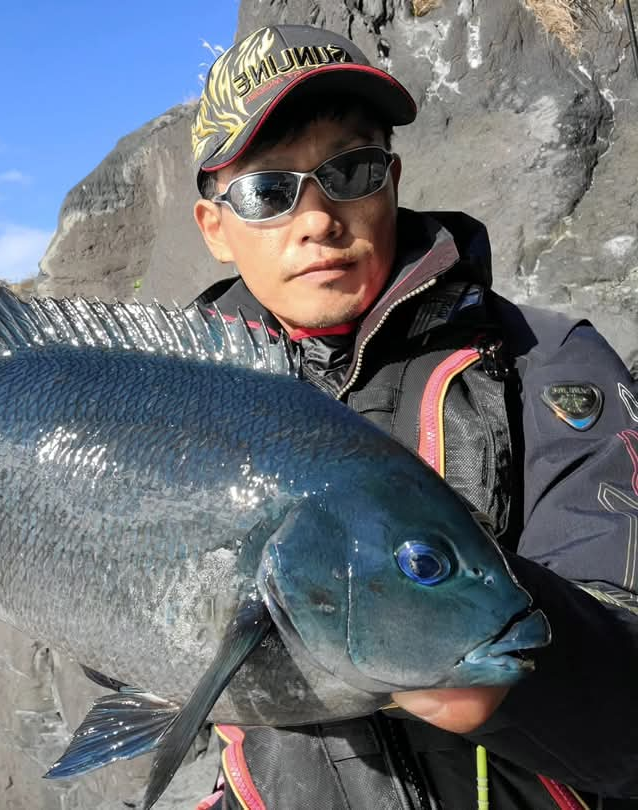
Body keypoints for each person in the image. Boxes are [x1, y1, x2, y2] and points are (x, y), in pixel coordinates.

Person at [188, 24, 638, 810]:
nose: (319, 218)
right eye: (268, 191)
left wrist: (443, 628)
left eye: (350, 170)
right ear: (215, 229)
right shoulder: (177, 408)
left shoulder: (549, 363)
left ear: (391, 179)